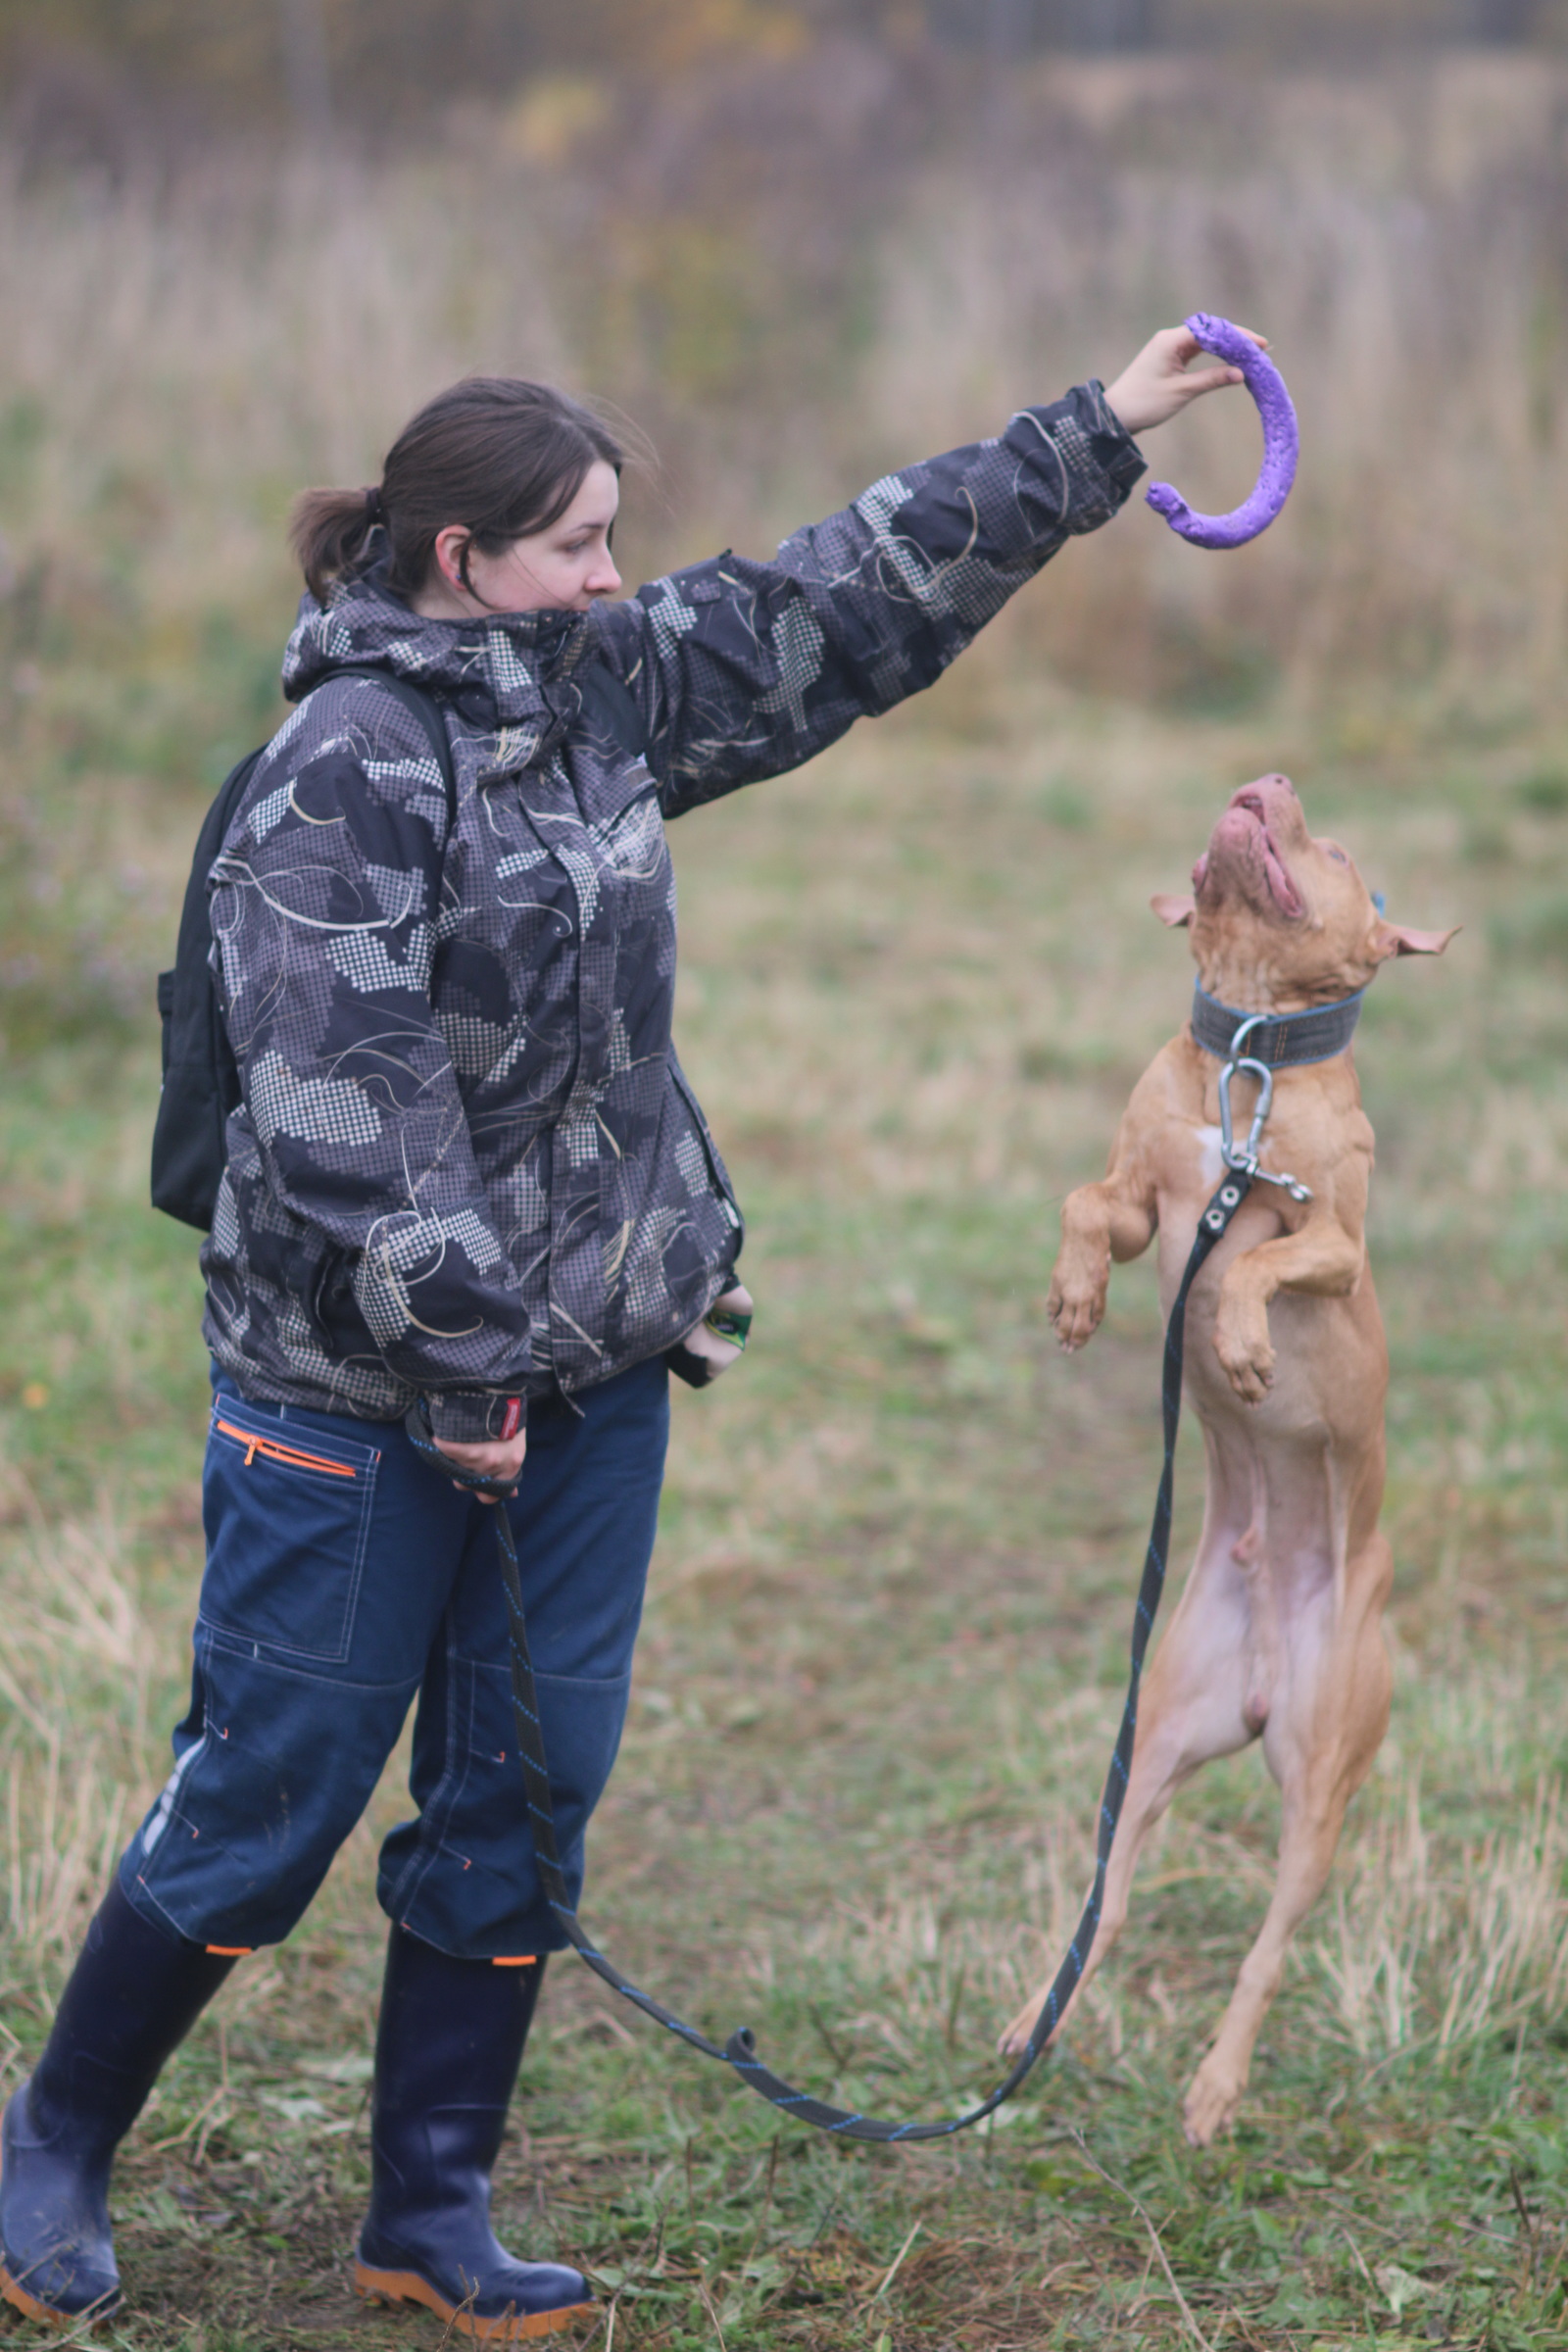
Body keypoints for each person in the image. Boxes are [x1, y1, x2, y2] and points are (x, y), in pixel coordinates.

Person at [0, 325, 1259, 2341]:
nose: (610, 575)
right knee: (276, 1787)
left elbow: (839, 598)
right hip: (353, 1390)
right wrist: (463, 1358)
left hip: (581, 1376)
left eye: (610, 541)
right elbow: (346, 1109)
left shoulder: (593, 695)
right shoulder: (341, 772)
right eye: (575, 543)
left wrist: (1098, 433)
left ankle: (430, 2209)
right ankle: (51, 2141)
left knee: (523, 1784)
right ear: (453, 551)